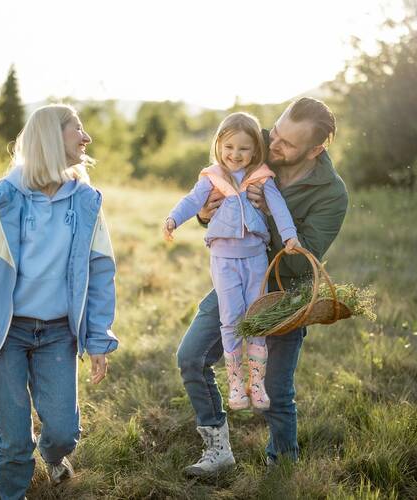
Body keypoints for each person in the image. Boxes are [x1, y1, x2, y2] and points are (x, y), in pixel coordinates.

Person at [0, 104, 119, 500]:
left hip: (58, 333)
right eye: (78, 129)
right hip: (6, 333)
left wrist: (97, 339)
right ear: (49, 136)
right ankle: (13, 493)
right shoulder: (2, 199)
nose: (86, 138)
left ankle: (55, 456)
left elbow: (101, 274)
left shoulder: (86, 202)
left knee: (62, 431)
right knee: (13, 439)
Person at [177, 97, 348, 477]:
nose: (274, 144)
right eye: (277, 131)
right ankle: (218, 449)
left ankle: (282, 467)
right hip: (234, 280)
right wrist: (206, 214)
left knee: (276, 391)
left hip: (285, 295)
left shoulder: (332, 194)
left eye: (288, 143)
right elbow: (215, 192)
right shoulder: (258, 143)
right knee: (190, 357)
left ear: (316, 149)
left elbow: (301, 258)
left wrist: (269, 214)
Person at [163, 112, 301, 412]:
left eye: (243, 149)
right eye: (229, 147)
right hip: (224, 260)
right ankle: (236, 384)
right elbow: (191, 201)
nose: (235, 155)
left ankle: (257, 383)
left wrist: (289, 236)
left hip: (255, 258)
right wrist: (174, 218)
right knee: (230, 318)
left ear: (254, 151)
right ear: (218, 146)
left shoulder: (261, 177)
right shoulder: (211, 177)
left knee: (256, 317)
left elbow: (278, 209)